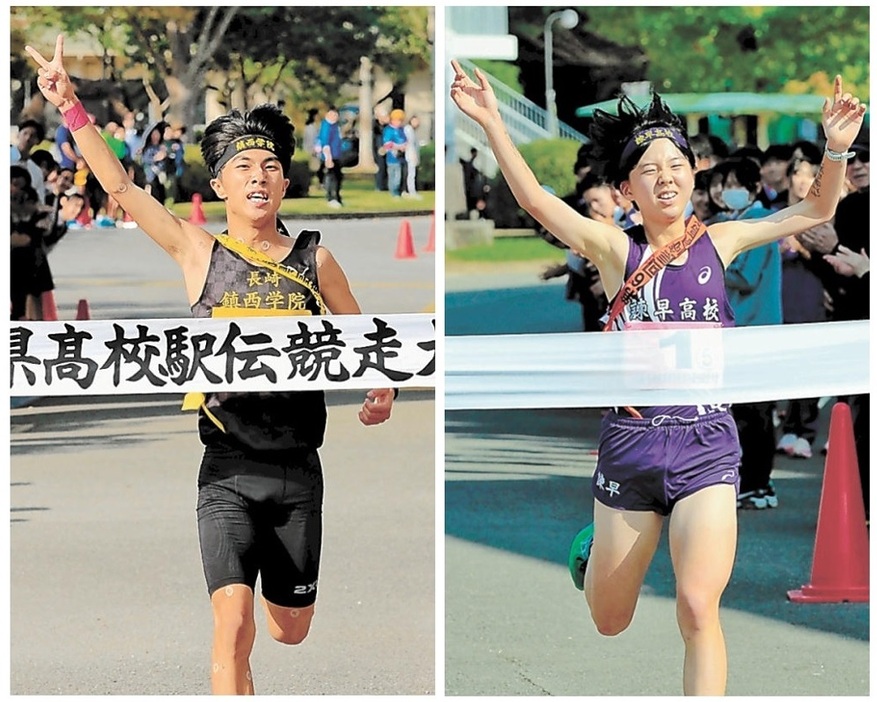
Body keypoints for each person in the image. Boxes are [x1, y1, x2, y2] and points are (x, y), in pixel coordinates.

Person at [450, 59, 865, 695]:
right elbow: (535, 200)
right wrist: (492, 121)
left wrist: (836, 148)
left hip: (707, 446)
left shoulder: (720, 241)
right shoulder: (616, 251)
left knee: (699, 607)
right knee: (609, 620)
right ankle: (595, 550)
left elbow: (814, 210)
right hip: (633, 448)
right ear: (625, 192)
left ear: (693, 174)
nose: (666, 177)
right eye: (649, 170)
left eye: (675, 164)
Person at [28, 34, 397, 696]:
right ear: (219, 182)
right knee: (230, 630)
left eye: (270, 166)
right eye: (243, 166)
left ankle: (262, 635)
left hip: (297, 472)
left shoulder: (317, 260)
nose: (258, 175)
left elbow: (366, 340)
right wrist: (70, 106)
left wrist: (381, 388)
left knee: (288, 629)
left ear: (287, 181)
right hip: (225, 469)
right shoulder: (197, 251)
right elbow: (117, 184)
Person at [711, 157, 783, 509]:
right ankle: (750, 479)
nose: (728, 192)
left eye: (735, 184)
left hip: (757, 330)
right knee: (742, 411)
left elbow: (747, 276)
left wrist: (709, 265)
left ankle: (759, 482)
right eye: (724, 185)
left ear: (754, 189)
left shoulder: (757, 224)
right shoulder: (736, 222)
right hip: (739, 330)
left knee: (754, 413)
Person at [319, 106, 344, 207]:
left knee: (338, 177)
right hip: (330, 156)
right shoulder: (327, 126)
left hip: (336, 155)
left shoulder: (335, 126)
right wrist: (328, 158)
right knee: (331, 177)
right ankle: (331, 197)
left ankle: (337, 197)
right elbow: (325, 143)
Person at [382, 108, 408, 198]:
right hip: (392, 157)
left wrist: (404, 146)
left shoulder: (401, 130)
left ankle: (398, 192)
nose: (399, 122)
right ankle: (393, 192)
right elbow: (387, 144)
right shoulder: (388, 130)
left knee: (399, 176)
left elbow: (406, 140)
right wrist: (397, 147)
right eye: (397, 120)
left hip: (401, 157)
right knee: (393, 176)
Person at [403, 114, 421, 198]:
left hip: (412, 154)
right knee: (411, 174)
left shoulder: (412, 130)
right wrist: (414, 155)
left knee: (412, 174)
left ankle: (410, 190)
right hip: (410, 154)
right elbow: (410, 143)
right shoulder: (408, 129)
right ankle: (411, 191)